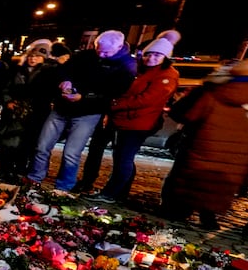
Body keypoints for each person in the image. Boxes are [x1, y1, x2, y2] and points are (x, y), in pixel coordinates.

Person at [27, 30, 136, 193]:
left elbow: (112, 93)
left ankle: (63, 187)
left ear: (119, 47)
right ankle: (34, 178)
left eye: (106, 51)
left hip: (88, 113)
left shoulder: (125, 66)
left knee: (71, 152)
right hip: (62, 107)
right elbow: (64, 70)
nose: (101, 53)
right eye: (98, 48)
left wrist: (84, 97)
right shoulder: (86, 55)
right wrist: (65, 81)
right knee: (42, 145)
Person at [76, 30, 180, 194]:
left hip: (138, 122)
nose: (150, 58)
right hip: (118, 118)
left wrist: (114, 103)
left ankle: (112, 193)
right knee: (108, 152)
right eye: (148, 54)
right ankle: (103, 187)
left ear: (166, 57)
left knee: (123, 158)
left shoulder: (167, 75)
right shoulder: (140, 69)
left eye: (157, 55)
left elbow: (146, 99)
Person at [159, 59, 248, 229]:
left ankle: (178, 213)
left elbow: (185, 115)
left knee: (191, 180)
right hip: (235, 155)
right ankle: (208, 217)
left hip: (202, 147)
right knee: (217, 185)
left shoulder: (212, 91)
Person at [0, 39, 56, 183]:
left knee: (26, 145)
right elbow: (5, 88)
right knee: (6, 144)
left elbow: (47, 94)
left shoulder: (48, 73)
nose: (33, 59)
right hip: (13, 114)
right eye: (31, 56)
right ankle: (4, 169)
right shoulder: (17, 71)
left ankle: (19, 171)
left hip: (34, 116)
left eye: (37, 56)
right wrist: (8, 101)